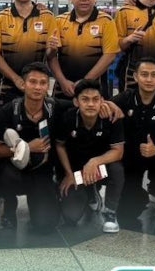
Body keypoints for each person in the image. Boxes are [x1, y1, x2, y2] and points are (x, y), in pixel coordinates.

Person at [0, 63, 61, 231]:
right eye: (32, 82)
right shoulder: (7, 111)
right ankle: (9, 206)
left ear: (48, 86)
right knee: (6, 175)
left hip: (41, 172)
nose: (37, 87)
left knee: (46, 225)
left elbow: (82, 104)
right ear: (23, 84)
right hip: (15, 171)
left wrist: (109, 105)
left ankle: (47, 198)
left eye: (43, 83)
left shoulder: (56, 108)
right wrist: (27, 148)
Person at [111, 57, 155, 233]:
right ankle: (137, 198)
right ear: (135, 76)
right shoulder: (125, 98)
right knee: (126, 215)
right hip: (130, 157)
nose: (149, 79)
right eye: (144, 74)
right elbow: (103, 105)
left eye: (154, 75)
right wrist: (110, 106)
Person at [54, 79, 125, 233]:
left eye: (95, 99)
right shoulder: (68, 118)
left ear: (102, 101)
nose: (91, 104)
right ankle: (89, 192)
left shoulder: (111, 118)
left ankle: (110, 213)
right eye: (85, 99)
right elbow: (59, 145)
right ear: (76, 102)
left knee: (117, 170)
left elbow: (118, 151)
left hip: (100, 171)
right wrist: (68, 174)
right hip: (76, 174)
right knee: (70, 216)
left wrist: (95, 161)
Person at [0, 0, 56, 100]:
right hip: (7, 88)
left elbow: (50, 55)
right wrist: (16, 79)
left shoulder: (48, 17)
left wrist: (52, 50)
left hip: (38, 88)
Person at [47, 0, 120, 98]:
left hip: (95, 90)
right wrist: (63, 82)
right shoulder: (59, 21)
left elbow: (110, 56)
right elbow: (51, 56)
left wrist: (85, 81)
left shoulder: (107, 21)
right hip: (64, 89)